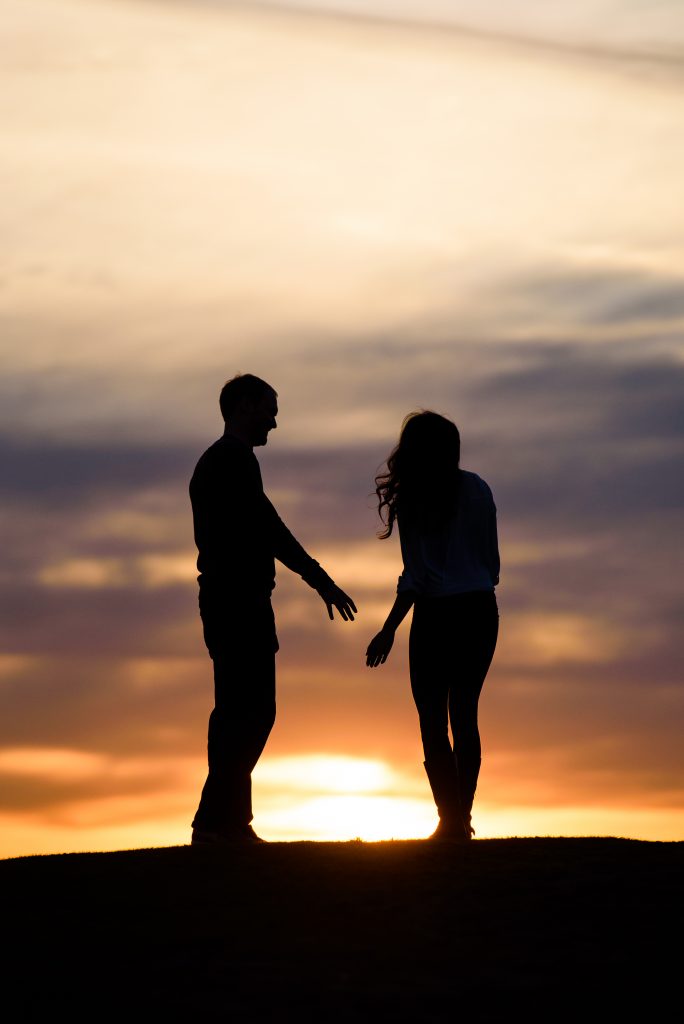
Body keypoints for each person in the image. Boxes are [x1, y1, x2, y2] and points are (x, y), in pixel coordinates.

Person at [190, 373, 357, 844]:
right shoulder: (230, 460)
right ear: (244, 406)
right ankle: (218, 822)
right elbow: (269, 526)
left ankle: (224, 822)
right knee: (249, 710)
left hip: (236, 599)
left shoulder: (226, 460)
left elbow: (265, 525)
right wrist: (318, 578)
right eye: (270, 409)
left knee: (243, 710)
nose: (275, 422)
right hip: (236, 600)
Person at [365, 411, 499, 841]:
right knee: (465, 715)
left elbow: (416, 576)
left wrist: (388, 629)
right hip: (480, 610)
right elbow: (491, 564)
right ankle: (460, 818)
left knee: (431, 720)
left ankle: (451, 820)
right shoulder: (478, 489)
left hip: (436, 616)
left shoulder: (414, 499)